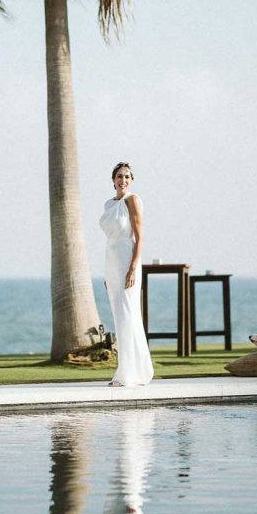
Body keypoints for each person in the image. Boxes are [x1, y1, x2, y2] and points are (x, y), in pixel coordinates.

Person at [101, 162, 154, 387]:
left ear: (131, 180)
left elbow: (140, 237)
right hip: (111, 260)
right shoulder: (108, 204)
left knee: (128, 315)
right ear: (113, 180)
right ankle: (134, 370)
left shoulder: (133, 200)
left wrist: (133, 267)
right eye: (119, 176)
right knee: (119, 315)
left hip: (127, 259)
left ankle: (128, 374)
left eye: (127, 177)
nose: (123, 180)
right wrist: (108, 273)